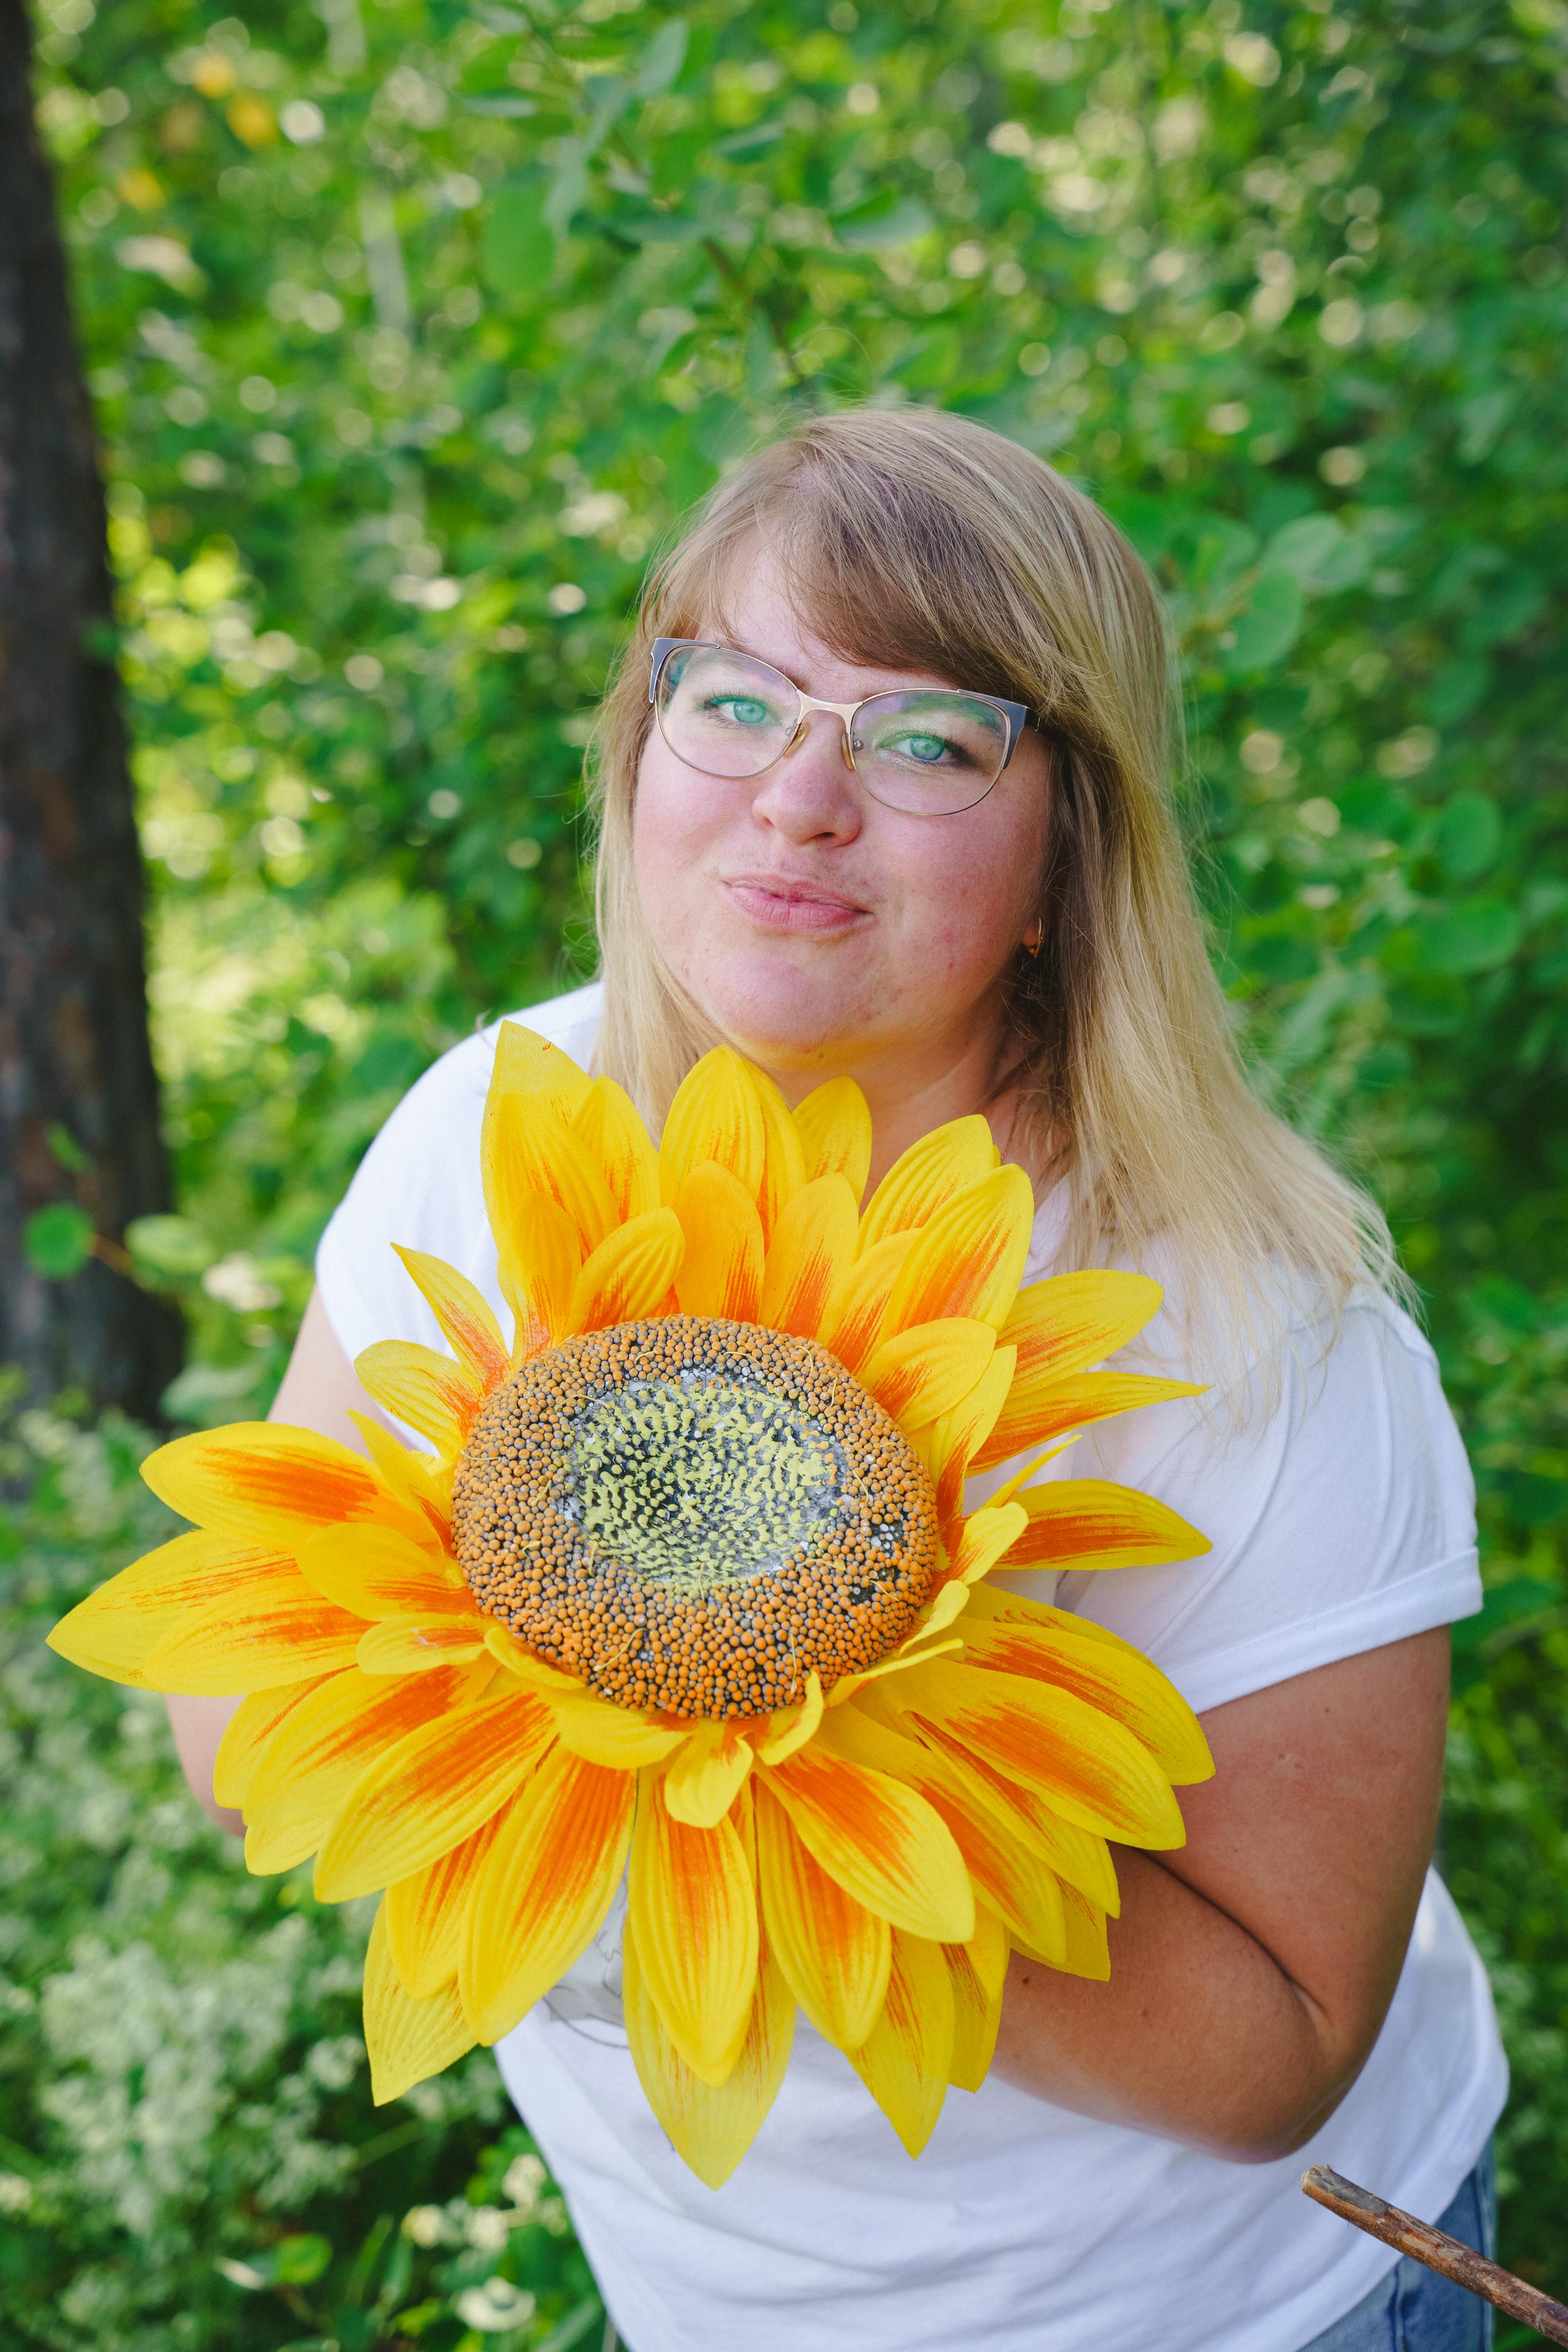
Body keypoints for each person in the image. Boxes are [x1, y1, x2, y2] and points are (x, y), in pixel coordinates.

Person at [165, 407, 1504, 2352]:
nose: (803, 799)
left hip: (1229, 2313)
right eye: (737, 700)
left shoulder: (1255, 1327)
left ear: (1070, 858)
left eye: (928, 739)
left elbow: (1274, 2053)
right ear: (641, 752)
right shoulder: (490, 1129)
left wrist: (755, 1798)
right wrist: (576, 1752)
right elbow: (248, 1695)